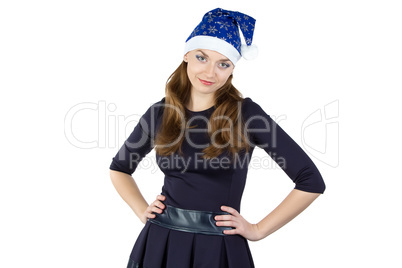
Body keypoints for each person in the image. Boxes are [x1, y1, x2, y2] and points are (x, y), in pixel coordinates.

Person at [109, 7, 325, 268]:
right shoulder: (159, 113)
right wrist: (141, 209)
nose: (210, 73)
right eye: (202, 58)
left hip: (218, 249)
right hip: (160, 244)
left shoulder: (246, 114)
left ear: (232, 69)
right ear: (187, 54)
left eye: (223, 64)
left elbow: (310, 181)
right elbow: (120, 168)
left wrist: (257, 230)